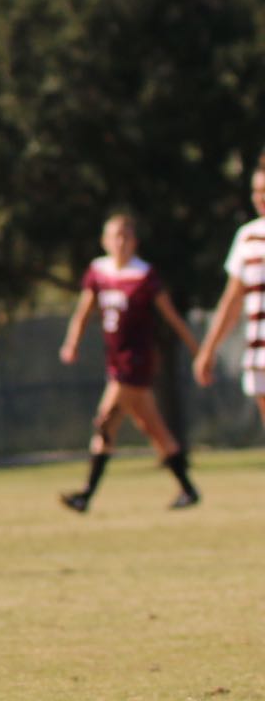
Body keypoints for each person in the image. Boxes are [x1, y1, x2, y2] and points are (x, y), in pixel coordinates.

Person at [56, 211, 203, 511]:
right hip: (114, 360)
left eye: (126, 236)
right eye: (115, 236)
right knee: (153, 428)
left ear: (135, 241)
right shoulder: (98, 272)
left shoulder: (144, 275)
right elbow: (84, 313)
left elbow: (170, 315)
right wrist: (72, 343)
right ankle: (188, 490)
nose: (121, 242)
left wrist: (198, 349)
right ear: (105, 241)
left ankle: (86, 494)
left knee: (105, 418)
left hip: (136, 361)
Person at [194, 162, 265, 430]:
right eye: (256, 191)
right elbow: (232, 300)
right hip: (260, 353)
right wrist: (208, 350)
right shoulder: (248, 237)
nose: (260, 197)